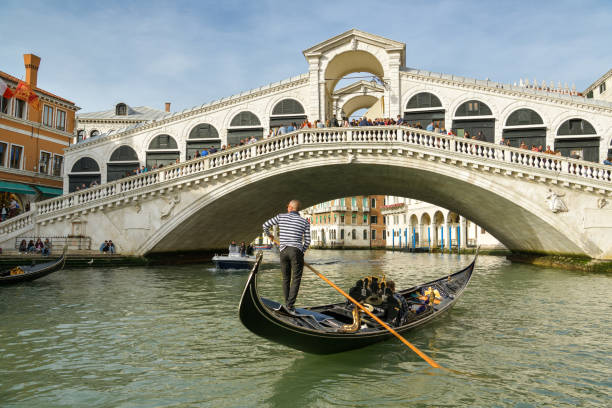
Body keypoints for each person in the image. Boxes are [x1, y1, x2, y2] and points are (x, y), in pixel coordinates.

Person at [262, 199, 311, 312]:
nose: (287, 208)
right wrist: (300, 251)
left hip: (283, 251)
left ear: (290, 208)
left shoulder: (281, 217)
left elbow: (265, 225)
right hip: (296, 251)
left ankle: (287, 303)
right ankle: (290, 305)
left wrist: (269, 235)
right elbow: (308, 241)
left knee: (285, 278)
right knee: (296, 279)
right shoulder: (304, 222)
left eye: (287, 206)